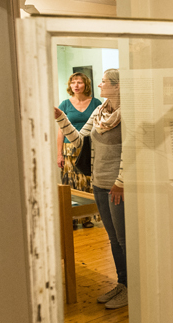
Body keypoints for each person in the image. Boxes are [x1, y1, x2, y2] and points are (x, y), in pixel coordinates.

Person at [53, 69, 127, 309]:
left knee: (124, 239)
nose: (100, 85)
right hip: (99, 183)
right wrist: (60, 118)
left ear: (117, 87)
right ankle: (122, 284)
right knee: (113, 239)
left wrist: (121, 182)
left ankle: (133, 287)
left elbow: (132, 148)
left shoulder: (129, 113)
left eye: (104, 81)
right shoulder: (100, 111)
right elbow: (79, 141)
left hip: (118, 187)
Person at [56, 72, 103, 229]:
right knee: (71, 184)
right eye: (73, 82)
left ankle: (87, 217)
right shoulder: (65, 104)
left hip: (89, 147)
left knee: (87, 182)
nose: (76, 85)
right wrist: (59, 154)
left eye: (79, 82)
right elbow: (61, 131)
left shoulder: (96, 103)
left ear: (86, 85)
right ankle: (72, 218)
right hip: (69, 149)